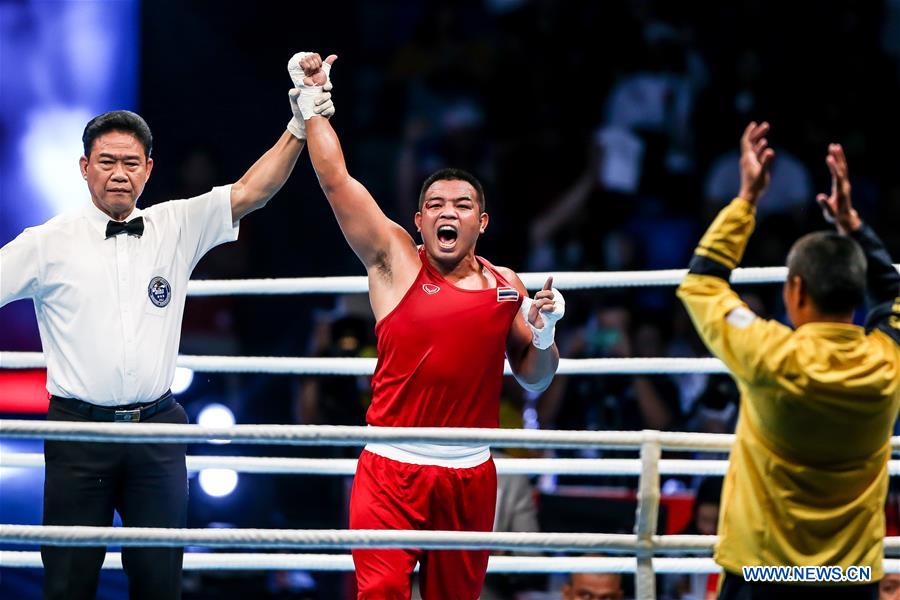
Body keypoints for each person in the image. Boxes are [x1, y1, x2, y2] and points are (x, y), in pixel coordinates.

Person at [0, 53, 334, 600]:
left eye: (131, 162)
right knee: (67, 583)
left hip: (158, 431)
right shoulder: (46, 243)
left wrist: (299, 124)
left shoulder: (175, 224)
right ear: (84, 167)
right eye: (106, 161)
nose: (119, 173)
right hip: (77, 434)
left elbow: (252, 191)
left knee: (160, 584)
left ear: (148, 169)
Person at [297, 52, 563, 599]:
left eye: (462, 204)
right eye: (435, 203)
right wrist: (313, 102)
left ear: (480, 222)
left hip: (471, 472)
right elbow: (335, 180)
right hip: (392, 467)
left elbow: (534, 380)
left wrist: (545, 332)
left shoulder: (505, 285)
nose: (449, 211)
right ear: (419, 220)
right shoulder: (394, 260)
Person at [677, 122, 900, 599]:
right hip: (850, 577)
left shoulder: (768, 352)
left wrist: (746, 199)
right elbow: (894, 293)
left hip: (763, 573)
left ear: (794, 290)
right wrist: (853, 226)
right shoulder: (887, 362)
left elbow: (701, 283)